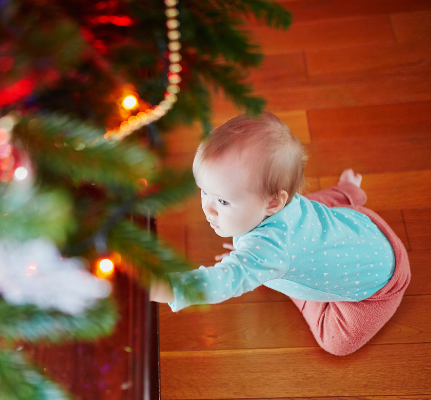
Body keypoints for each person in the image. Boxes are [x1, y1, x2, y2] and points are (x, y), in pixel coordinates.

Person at [150, 112, 411, 356]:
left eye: (223, 202)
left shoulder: (271, 248)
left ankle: (298, 281)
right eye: (204, 191)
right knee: (311, 211)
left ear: (273, 203)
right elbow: (309, 210)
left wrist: (169, 288)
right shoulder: (284, 205)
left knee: (336, 343)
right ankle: (347, 194)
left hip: (379, 285)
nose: (207, 209)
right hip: (362, 224)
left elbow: (223, 281)